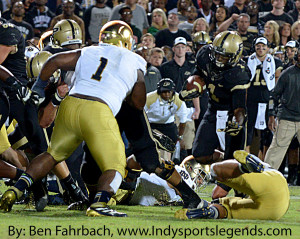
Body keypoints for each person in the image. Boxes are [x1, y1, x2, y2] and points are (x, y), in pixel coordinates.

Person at [180, 31, 251, 165]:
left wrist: (238, 122)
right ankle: (221, 162)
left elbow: (240, 106)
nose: (218, 59)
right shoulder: (204, 55)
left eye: (223, 57)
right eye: (216, 54)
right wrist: (191, 85)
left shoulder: (239, 73)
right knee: (200, 154)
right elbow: (198, 74)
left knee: (234, 162)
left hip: (230, 114)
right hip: (212, 110)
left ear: (235, 56)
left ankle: (242, 172)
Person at [175, 150, 290, 220]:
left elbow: (217, 195)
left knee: (227, 209)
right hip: (278, 195)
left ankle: (209, 212)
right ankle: (243, 167)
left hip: (273, 211)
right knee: (217, 171)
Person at [264, 44, 300, 186]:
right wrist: (272, 115)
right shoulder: (287, 73)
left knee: (276, 149)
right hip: (287, 118)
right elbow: (273, 96)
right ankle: (264, 179)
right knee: (276, 150)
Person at [245, 37, 282, 157]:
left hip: (267, 98)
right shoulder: (247, 60)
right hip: (251, 98)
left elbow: (276, 83)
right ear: (254, 47)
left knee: (268, 129)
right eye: (258, 46)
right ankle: (247, 154)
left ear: (268, 48)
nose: (260, 49)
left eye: (263, 46)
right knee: (249, 128)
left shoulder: (275, 62)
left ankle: (265, 157)